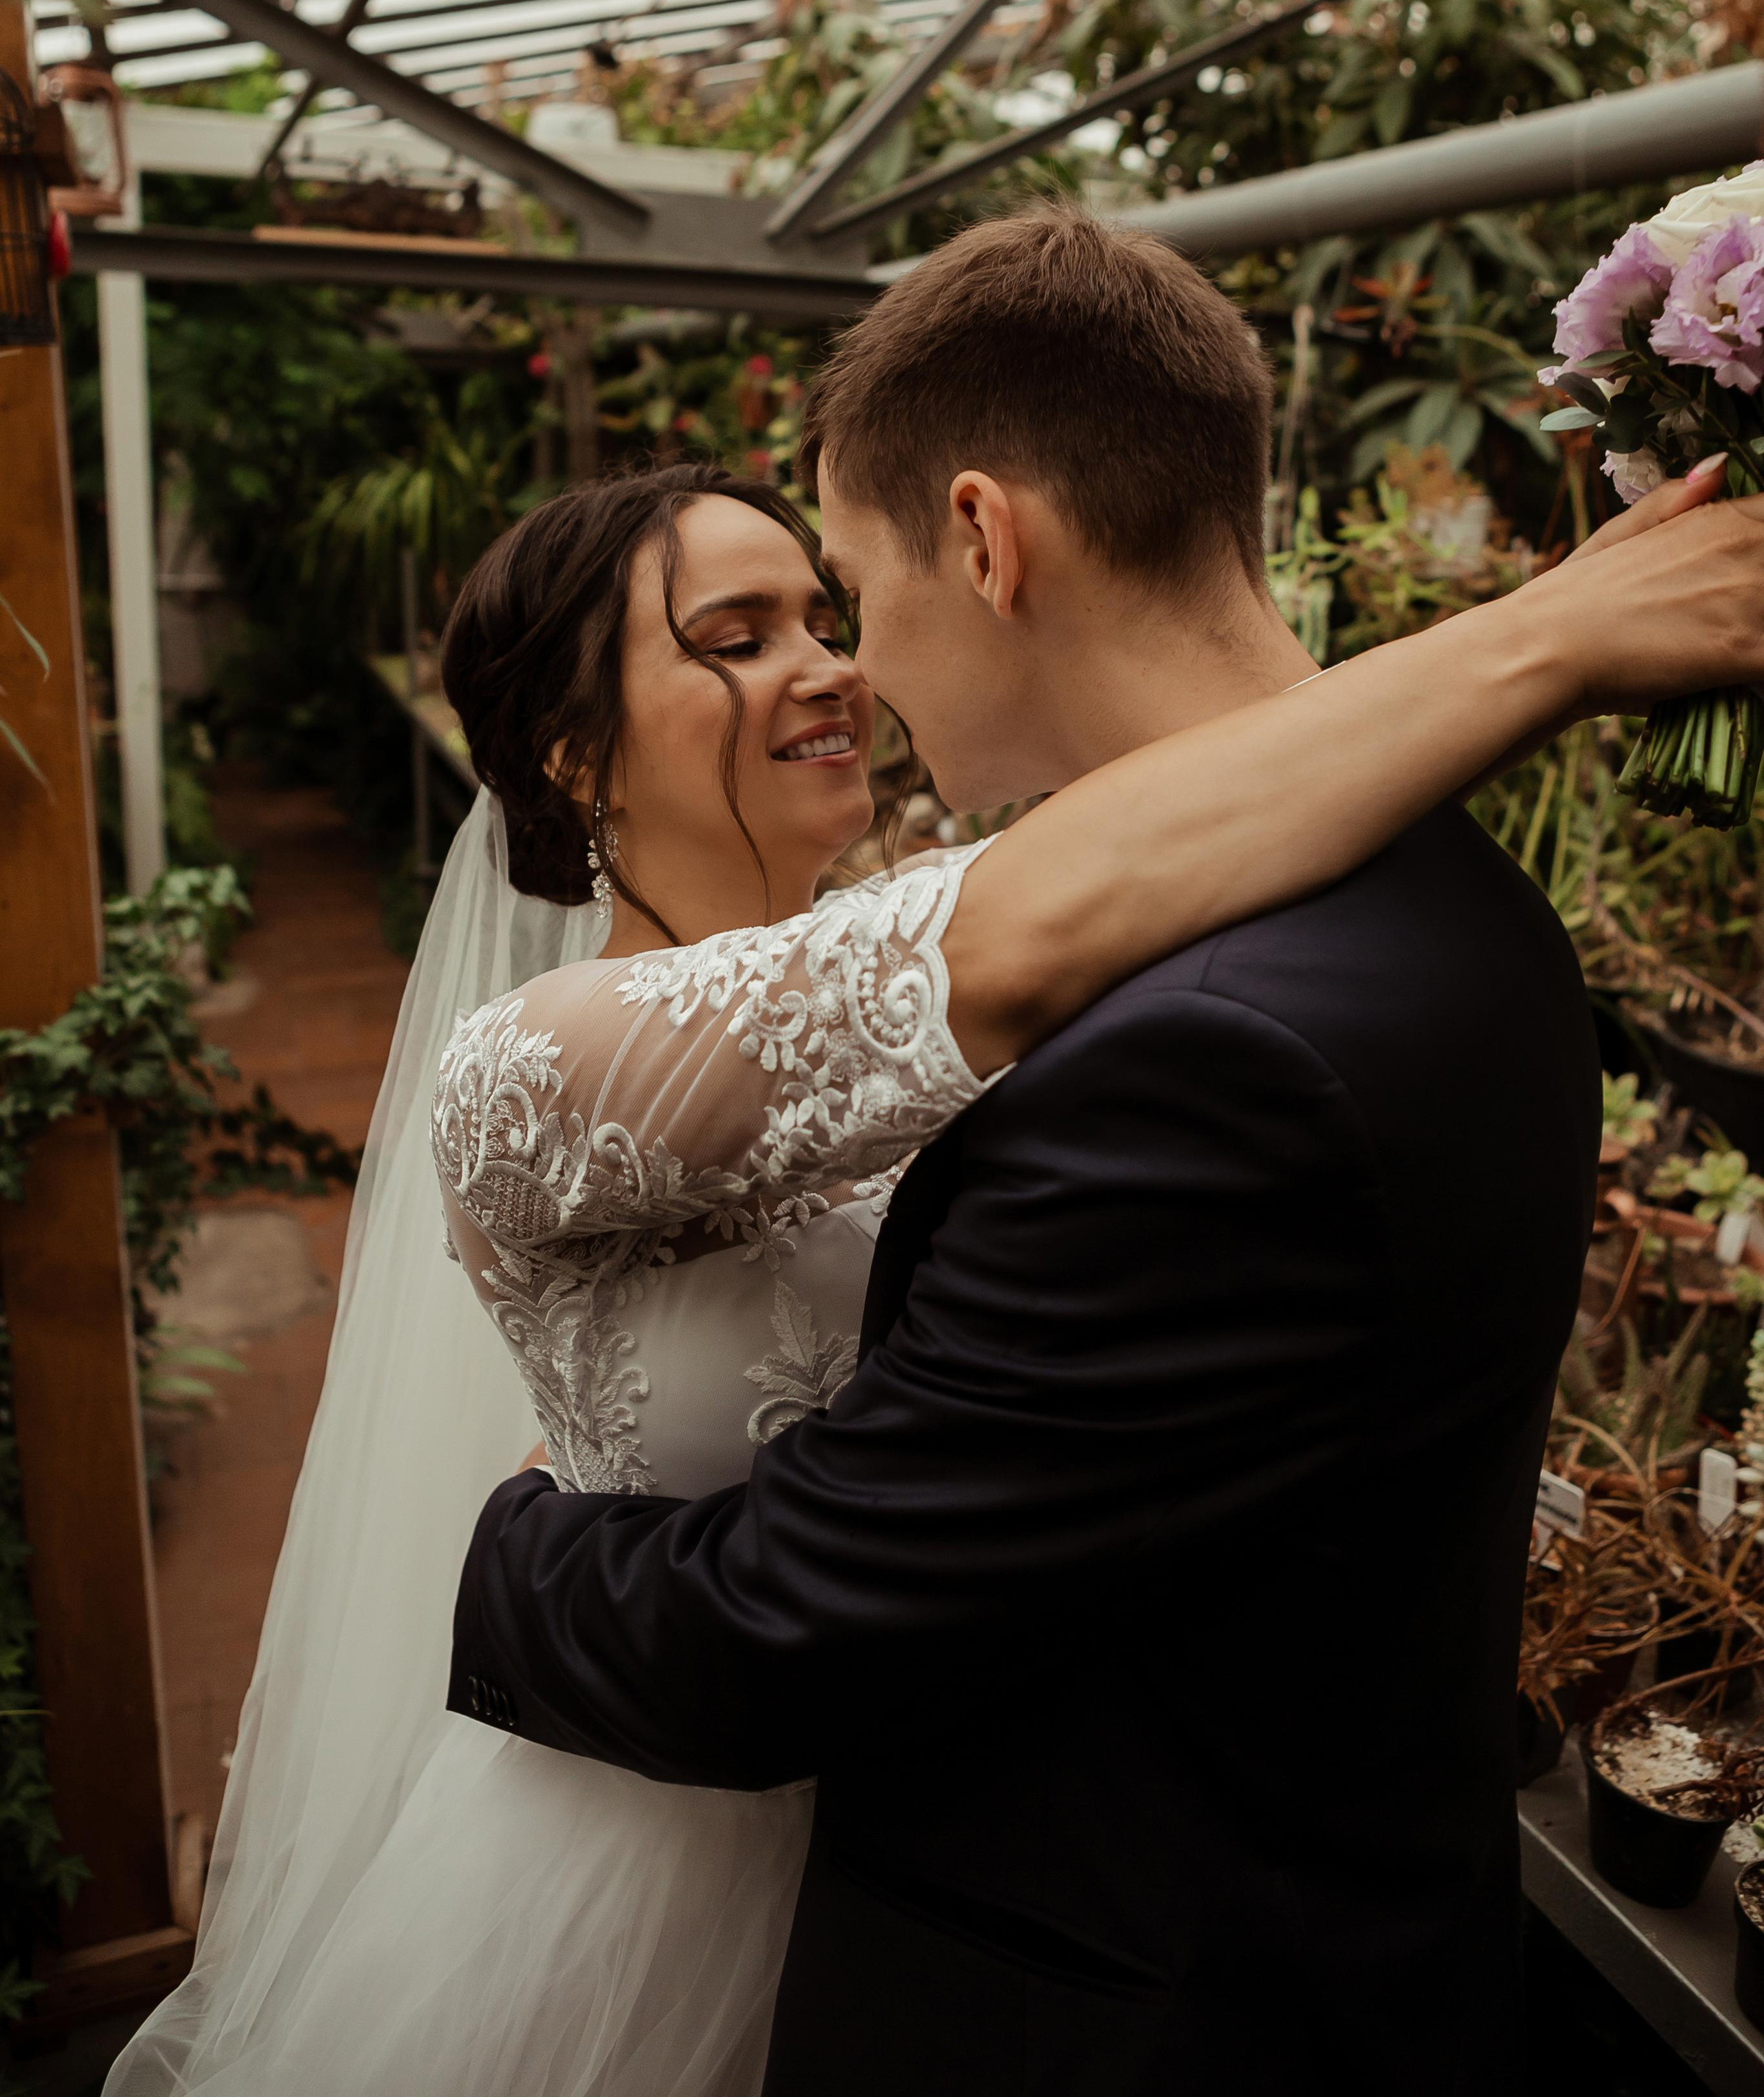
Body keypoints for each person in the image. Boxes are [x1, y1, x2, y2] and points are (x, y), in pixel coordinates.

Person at [110, 210, 1764, 2097]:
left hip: (1048, 1939)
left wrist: (510, 1559)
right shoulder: (568, 1056)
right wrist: (1543, 633)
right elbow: (1026, 918)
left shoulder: (1178, 1013)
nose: (846, 667)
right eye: (743, 636)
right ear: (571, 761)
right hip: (674, 1879)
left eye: (842, 598)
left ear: (982, 537)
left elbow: (812, 1610)